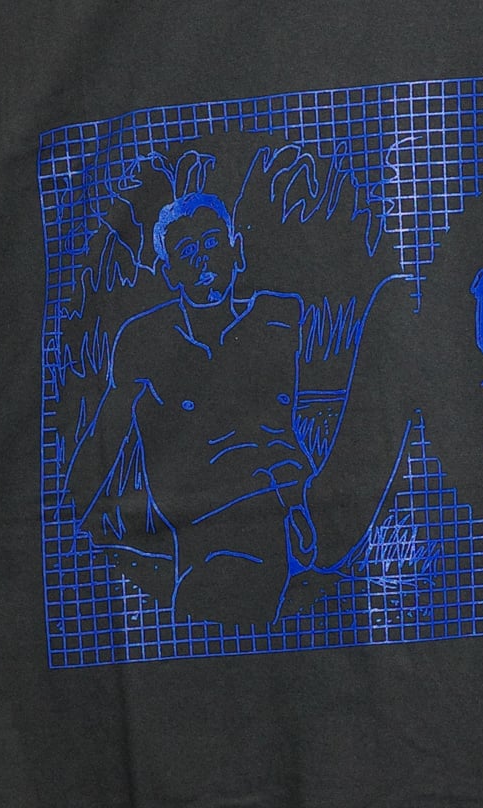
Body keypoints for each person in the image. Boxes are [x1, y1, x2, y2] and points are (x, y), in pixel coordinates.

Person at [65, 160, 318, 626]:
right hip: (200, 532)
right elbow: (105, 436)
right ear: (169, 274)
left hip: (286, 513)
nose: (203, 258)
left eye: (212, 243)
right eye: (186, 250)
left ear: (237, 250)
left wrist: (307, 503)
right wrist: (66, 523)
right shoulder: (144, 339)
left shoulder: (281, 318)